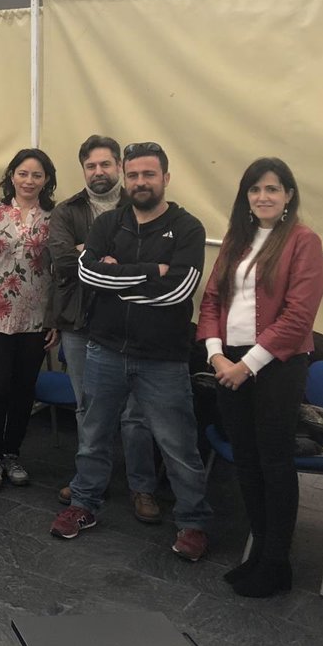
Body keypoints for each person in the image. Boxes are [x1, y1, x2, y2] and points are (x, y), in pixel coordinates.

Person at [52, 141, 213, 563]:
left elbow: (179, 290)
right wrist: (150, 273)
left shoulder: (188, 227)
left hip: (163, 357)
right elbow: (88, 275)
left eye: (149, 174)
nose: (141, 182)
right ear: (126, 178)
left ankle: (193, 522)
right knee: (93, 435)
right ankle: (84, 504)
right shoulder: (110, 222)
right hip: (105, 348)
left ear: (166, 178)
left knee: (178, 445)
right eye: (134, 175)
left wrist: (117, 277)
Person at [197, 158, 323, 597]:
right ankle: (258, 553)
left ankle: (276, 562)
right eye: (255, 189)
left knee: (274, 462)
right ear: (246, 196)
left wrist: (246, 365)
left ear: (288, 195)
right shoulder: (237, 238)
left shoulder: (304, 241)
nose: (263, 196)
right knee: (246, 461)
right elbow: (211, 301)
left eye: (272, 188)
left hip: (277, 366)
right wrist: (216, 355)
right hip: (229, 363)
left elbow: (298, 315)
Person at [49, 135, 160, 523]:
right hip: (80, 322)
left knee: (135, 413)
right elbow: (62, 260)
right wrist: (100, 256)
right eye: (91, 166)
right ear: (83, 169)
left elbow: (153, 262)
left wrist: (90, 253)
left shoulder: (142, 205)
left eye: (106, 164)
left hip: (131, 323)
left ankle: (141, 487)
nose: (99, 172)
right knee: (88, 408)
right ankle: (89, 480)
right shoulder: (67, 210)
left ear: (119, 167)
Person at [0, 148, 57, 488]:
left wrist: (55, 321)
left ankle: (12, 453)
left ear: (46, 180)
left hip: (36, 321)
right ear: (12, 176)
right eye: (23, 173)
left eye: (37, 175)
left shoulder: (54, 218)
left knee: (23, 391)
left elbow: (59, 274)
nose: (29, 180)